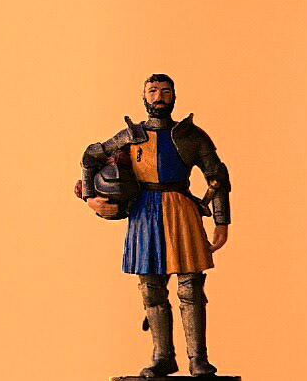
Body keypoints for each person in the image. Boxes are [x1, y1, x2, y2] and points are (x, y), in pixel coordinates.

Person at [77, 74, 231, 377]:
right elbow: (90, 156)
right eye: (152, 91)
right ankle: (163, 356)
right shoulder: (129, 136)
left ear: (174, 96)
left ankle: (198, 359)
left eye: (165, 91)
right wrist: (91, 197)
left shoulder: (191, 136)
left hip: (182, 211)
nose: (158, 97)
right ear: (144, 97)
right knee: (151, 288)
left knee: (190, 286)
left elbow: (218, 176)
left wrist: (221, 221)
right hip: (144, 215)